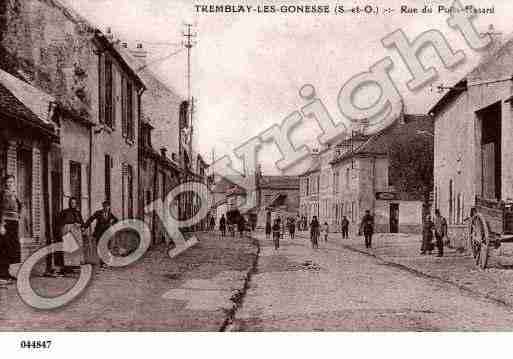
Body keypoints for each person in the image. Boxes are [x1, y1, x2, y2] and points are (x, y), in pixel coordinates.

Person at [53, 197, 84, 276]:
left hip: (76, 231)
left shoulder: (78, 212)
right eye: (71, 202)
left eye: (74, 203)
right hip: (67, 231)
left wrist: (79, 224)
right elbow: (59, 222)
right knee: (68, 248)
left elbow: (82, 222)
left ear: (76, 203)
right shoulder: (64, 212)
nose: (72, 204)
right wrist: (65, 226)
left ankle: (74, 266)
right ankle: (67, 267)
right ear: (69, 203)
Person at [82, 200, 118, 268]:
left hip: (107, 233)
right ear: (102, 206)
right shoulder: (98, 213)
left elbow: (116, 220)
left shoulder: (110, 214)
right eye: (104, 206)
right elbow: (90, 219)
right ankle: (102, 262)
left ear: (109, 207)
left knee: (107, 247)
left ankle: (105, 262)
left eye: (107, 206)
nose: (106, 208)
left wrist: (112, 223)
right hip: (99, 233)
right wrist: (84, 227)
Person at [0, 175, 21, 284]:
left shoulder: (14, 194)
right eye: (8, 182)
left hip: (14, 223)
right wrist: (1, 225)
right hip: (6, 223)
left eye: (12, 182)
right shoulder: (3, 194)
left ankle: (7, 273)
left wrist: (18, 217)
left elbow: (19, 207)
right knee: (4, 247)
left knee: (11, 248)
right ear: (5, 183)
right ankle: (2, 274)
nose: (10, 184)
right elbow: (1, 210)